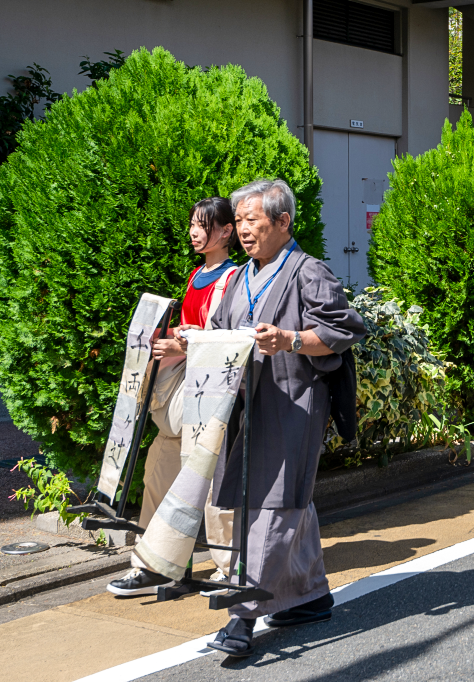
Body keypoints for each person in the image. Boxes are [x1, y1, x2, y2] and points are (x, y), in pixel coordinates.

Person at [196, 179, 366, 657]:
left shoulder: (308, 272)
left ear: (283, 221)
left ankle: (241, 617)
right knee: (286, 500)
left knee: (273, 506)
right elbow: (223, 332)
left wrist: (290, 339)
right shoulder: (241, 277)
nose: (243, 230)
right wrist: (186, 344)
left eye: (253, 220)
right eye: (241, 221)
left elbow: (342, 331)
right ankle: (310, 596)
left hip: (295, 399)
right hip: (249, 401)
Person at [107, 197, 240, 597]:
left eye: (204, 225)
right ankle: (157, 563)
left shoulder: (232, 278)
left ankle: (229, 568)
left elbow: (231, 337)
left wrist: (181, 347)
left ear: (226, 231)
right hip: (186, 388)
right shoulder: (199, 274)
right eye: (193, 225)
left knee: (212, 479)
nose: (194, 232)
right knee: (159, 468)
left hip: (209, 390)